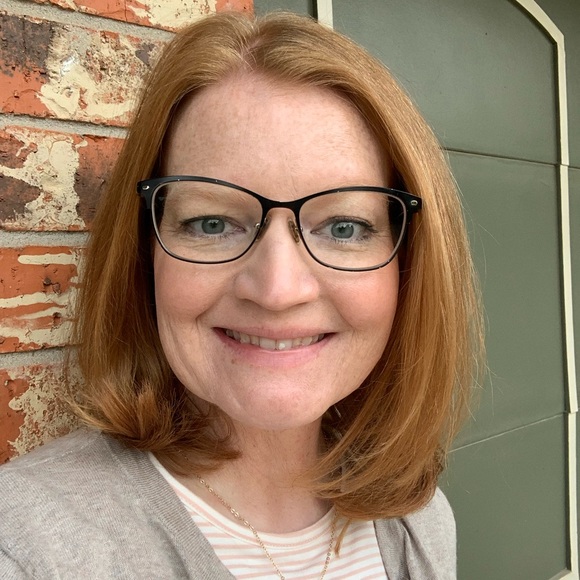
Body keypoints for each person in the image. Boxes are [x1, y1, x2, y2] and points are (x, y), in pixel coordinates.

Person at [0, 10, 482, 579]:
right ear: (144, 255)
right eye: (211, 223)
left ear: (409, 264)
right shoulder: (28, 546)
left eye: (344, 227)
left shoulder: (420, 521)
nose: (277, 291)